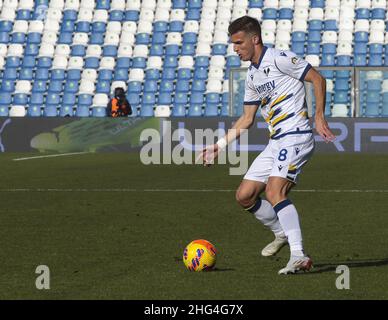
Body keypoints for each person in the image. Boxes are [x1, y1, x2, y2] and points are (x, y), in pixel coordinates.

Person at [199, 16, 335, 275]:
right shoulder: (251, 76)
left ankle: (298, 255)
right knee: (244, 196)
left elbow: (318, 79)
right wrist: (219, 145)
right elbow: (247, 119)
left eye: (239, 43)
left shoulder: (280, 58)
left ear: (255, 39)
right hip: (276, 142)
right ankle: (280, 233)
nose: (235, 49)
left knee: (275, 192)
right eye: (233, 44)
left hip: (296, 135)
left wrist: (318, 115)